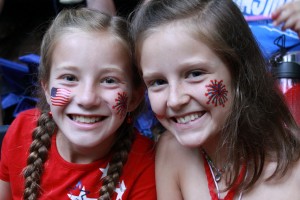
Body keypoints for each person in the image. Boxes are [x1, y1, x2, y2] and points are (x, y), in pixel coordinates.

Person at [131, 0, 300, 199]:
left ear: (238, 71)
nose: (175, 100)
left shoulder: (292, 170)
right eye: (158, 82)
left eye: (194, 74)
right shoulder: (171, 152)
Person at [0, 7, 156, 199]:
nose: (87, 99)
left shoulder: (147, 165)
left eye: (109, 80)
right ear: (47, 89)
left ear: (134, 97)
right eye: (70, 77)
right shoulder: (21, 131)